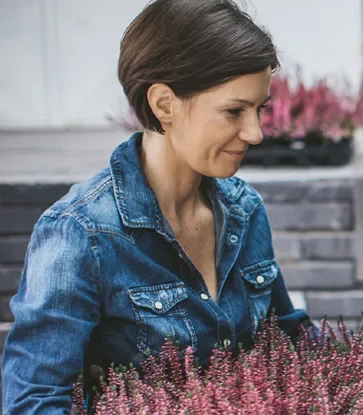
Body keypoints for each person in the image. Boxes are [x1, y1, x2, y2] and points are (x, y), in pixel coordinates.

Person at [1, 1, 317, 412]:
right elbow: (34, 400)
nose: (255, 133)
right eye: (234, 111)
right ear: (164, 104)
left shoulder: (244, 210)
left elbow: (286, 341)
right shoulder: (80, 233)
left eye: (260, 109)